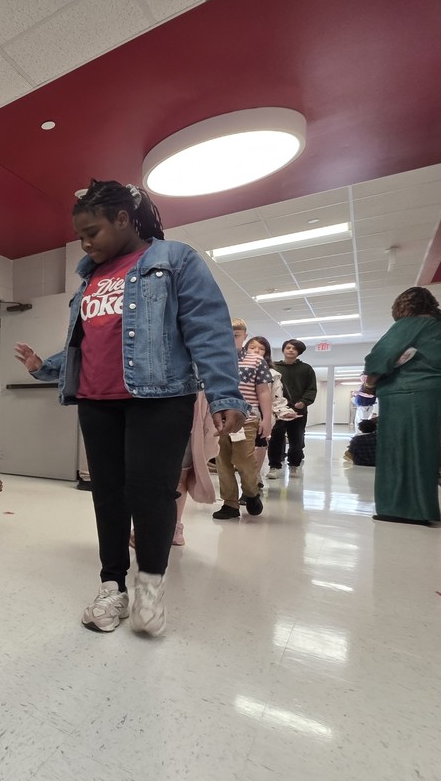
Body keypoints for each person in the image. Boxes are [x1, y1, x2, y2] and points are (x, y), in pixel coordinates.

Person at [14, 179, 248, 637]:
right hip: (97, 402)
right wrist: (47, 367)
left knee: (152, 493)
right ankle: (111, 585)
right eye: (80, 235)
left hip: (159, 397)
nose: (84, 243)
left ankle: (150, 586)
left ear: (123, 219)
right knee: (108, 494)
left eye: (92, 232)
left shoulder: (173, 259)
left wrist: (224, 393)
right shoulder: (89, 278)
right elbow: (87, 344)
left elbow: (208, 327)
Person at [364, 287, 441, 525]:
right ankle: (420, 507)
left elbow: (381, 355)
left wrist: (370, 383)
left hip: (410, 390)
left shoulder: (411, 324)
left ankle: (401, 509)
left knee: (398, 449)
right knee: (422, 448)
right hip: (437, 390)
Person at [130, 392, 219, 547]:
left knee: (153, 477)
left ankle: (147, 528)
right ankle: (172, 528)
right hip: (187, 423)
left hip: (166, 421)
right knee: (178, 479)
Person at [213, 319, 272, 519]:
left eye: (236, 335)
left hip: (247, 417)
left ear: (245, 337)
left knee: (244, 460)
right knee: (222, 462)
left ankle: (251, 492)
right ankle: (230, 504)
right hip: (218, 418)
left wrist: (267, 419)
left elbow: (264, 391)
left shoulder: (256, 361)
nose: (231, 339)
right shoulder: (215, 360)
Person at [245, 336, 299, 484]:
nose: (256, 350)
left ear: (266, 353)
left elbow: (276, 398)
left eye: (261, 348)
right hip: (241, 415)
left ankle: (254, 481)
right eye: (252, 347)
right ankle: (248, 481)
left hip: (262, 417)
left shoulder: (273, 374)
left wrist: (283, 411)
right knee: (241, 454)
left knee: (258, 448)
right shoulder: (237, 368)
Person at [267, 339, 317, 478]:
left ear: (298, 352)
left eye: (294, 349)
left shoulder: (306, 369)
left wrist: (304, 402)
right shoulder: (274, 367)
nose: (291, 350)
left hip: (298, 411)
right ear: (283, 350)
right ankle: (274, 466)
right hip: (277, 410)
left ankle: (294, 465)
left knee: (297, 439)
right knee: (276, 438)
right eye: (288, 347)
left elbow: (311, 389)